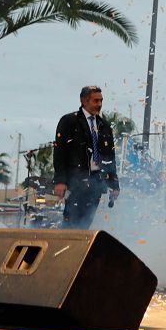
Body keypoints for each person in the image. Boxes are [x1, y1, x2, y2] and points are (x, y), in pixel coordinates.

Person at [53, 85, 120, 229]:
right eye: (96, 101)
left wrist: (114, 184)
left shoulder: (104, 126)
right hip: (75, 181)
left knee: (85, 224)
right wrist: (60, 180)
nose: (99, 104)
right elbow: (60, 153)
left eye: (101, 100)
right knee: (71, 222)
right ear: (84, 101)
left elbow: (110, 157)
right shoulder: (69, 121)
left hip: (96, 181)